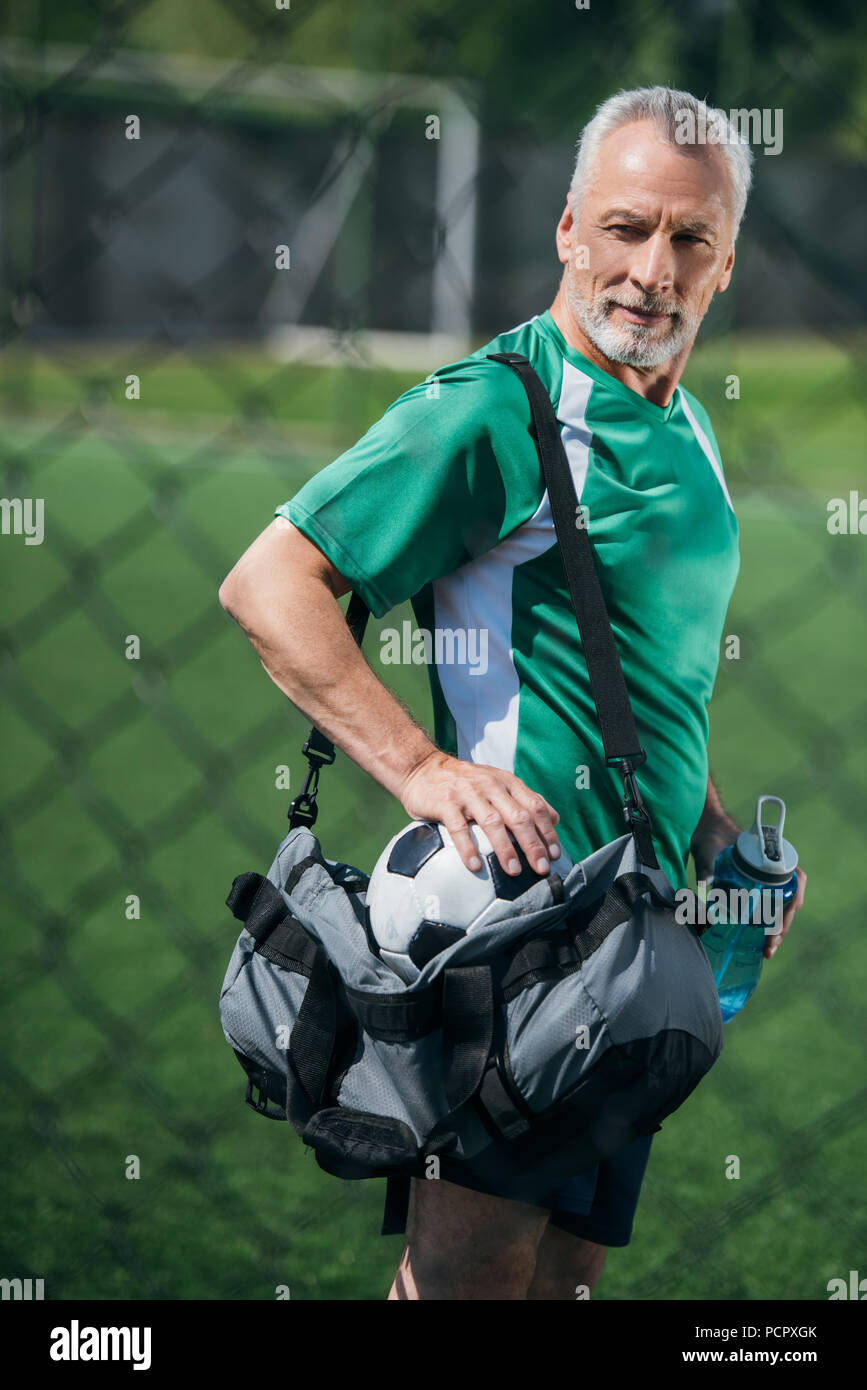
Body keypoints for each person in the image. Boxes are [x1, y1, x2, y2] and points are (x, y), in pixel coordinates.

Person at [218, 84, 807, 1300]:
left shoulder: (691, 428)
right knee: (470, 1277)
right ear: (566, 232)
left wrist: (711, 836)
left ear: (727, 262)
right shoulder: (501, 407)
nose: (653, 268)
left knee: (567, 1275)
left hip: (635, 940)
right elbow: (271, 583)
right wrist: (424, 770)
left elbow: (637, 673)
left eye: (689, 238)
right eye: (626, 227)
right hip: (517, 939)